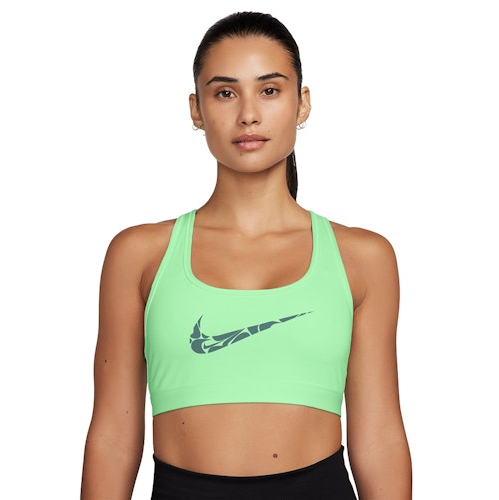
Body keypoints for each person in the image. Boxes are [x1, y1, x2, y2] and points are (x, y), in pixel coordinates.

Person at [81, 11, 412, 500]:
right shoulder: (139, 256)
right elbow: (111, 436)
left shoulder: (363, 258)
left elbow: (380, 437)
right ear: (196, 109)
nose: (248, 115)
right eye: (225, 93)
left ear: (302, 103)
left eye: (270, 90)